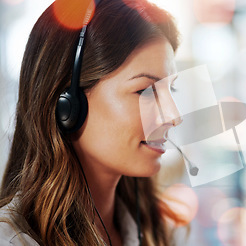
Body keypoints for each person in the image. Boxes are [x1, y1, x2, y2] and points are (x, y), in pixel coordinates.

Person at [0, 0, 186, 245]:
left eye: (170, 89)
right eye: (146, 91)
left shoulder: (161, 231)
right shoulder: (13, 240)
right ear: (68, 104)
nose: (173, 117)